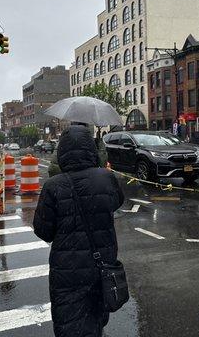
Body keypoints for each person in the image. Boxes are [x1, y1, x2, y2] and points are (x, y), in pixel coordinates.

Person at [33, 125, 124, 337]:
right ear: (91, 149)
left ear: (62, 152)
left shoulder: (53, 186)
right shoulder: (106, 178)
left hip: (67, 271)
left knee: (70, 323)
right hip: (102, 265)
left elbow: (43, 231)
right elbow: (116, 202)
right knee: (95, 320)